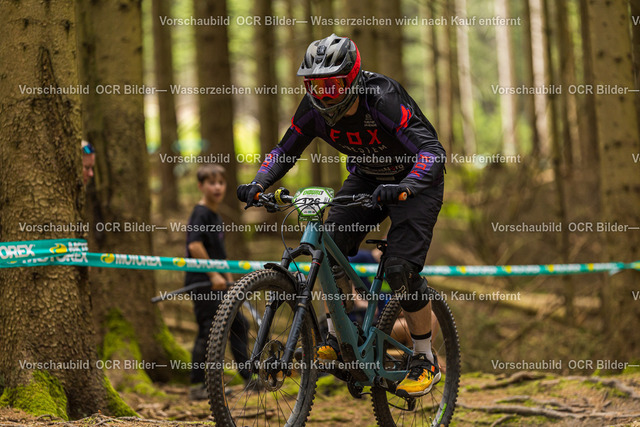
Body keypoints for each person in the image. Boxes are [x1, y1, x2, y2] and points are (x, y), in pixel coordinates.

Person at [237, 34, 446, 397]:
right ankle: (338, 338)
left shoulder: (382, 98)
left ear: (351, 80)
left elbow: (432, 152)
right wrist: (258, 183)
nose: (322, 95)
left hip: (416, 181)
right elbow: (284, 150)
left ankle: (425, 358)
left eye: (331, 86)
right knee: (329, 246)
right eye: (313, 85)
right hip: (367, 178)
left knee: (400, 270)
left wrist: (408, 186)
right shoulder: (312, 109)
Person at [186, 164, 251, 400]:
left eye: (221, 183)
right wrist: (213, 274)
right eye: (211, 183)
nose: (217, 187)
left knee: (239, 325)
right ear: (201, 186)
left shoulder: (215, 215)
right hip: (203, 284)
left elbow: (219, 254)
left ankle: (248, 377)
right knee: (208, 332)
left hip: (221, 285)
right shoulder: (200, 213)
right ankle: (197, 386)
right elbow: (195, 245)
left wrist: (231, 283)